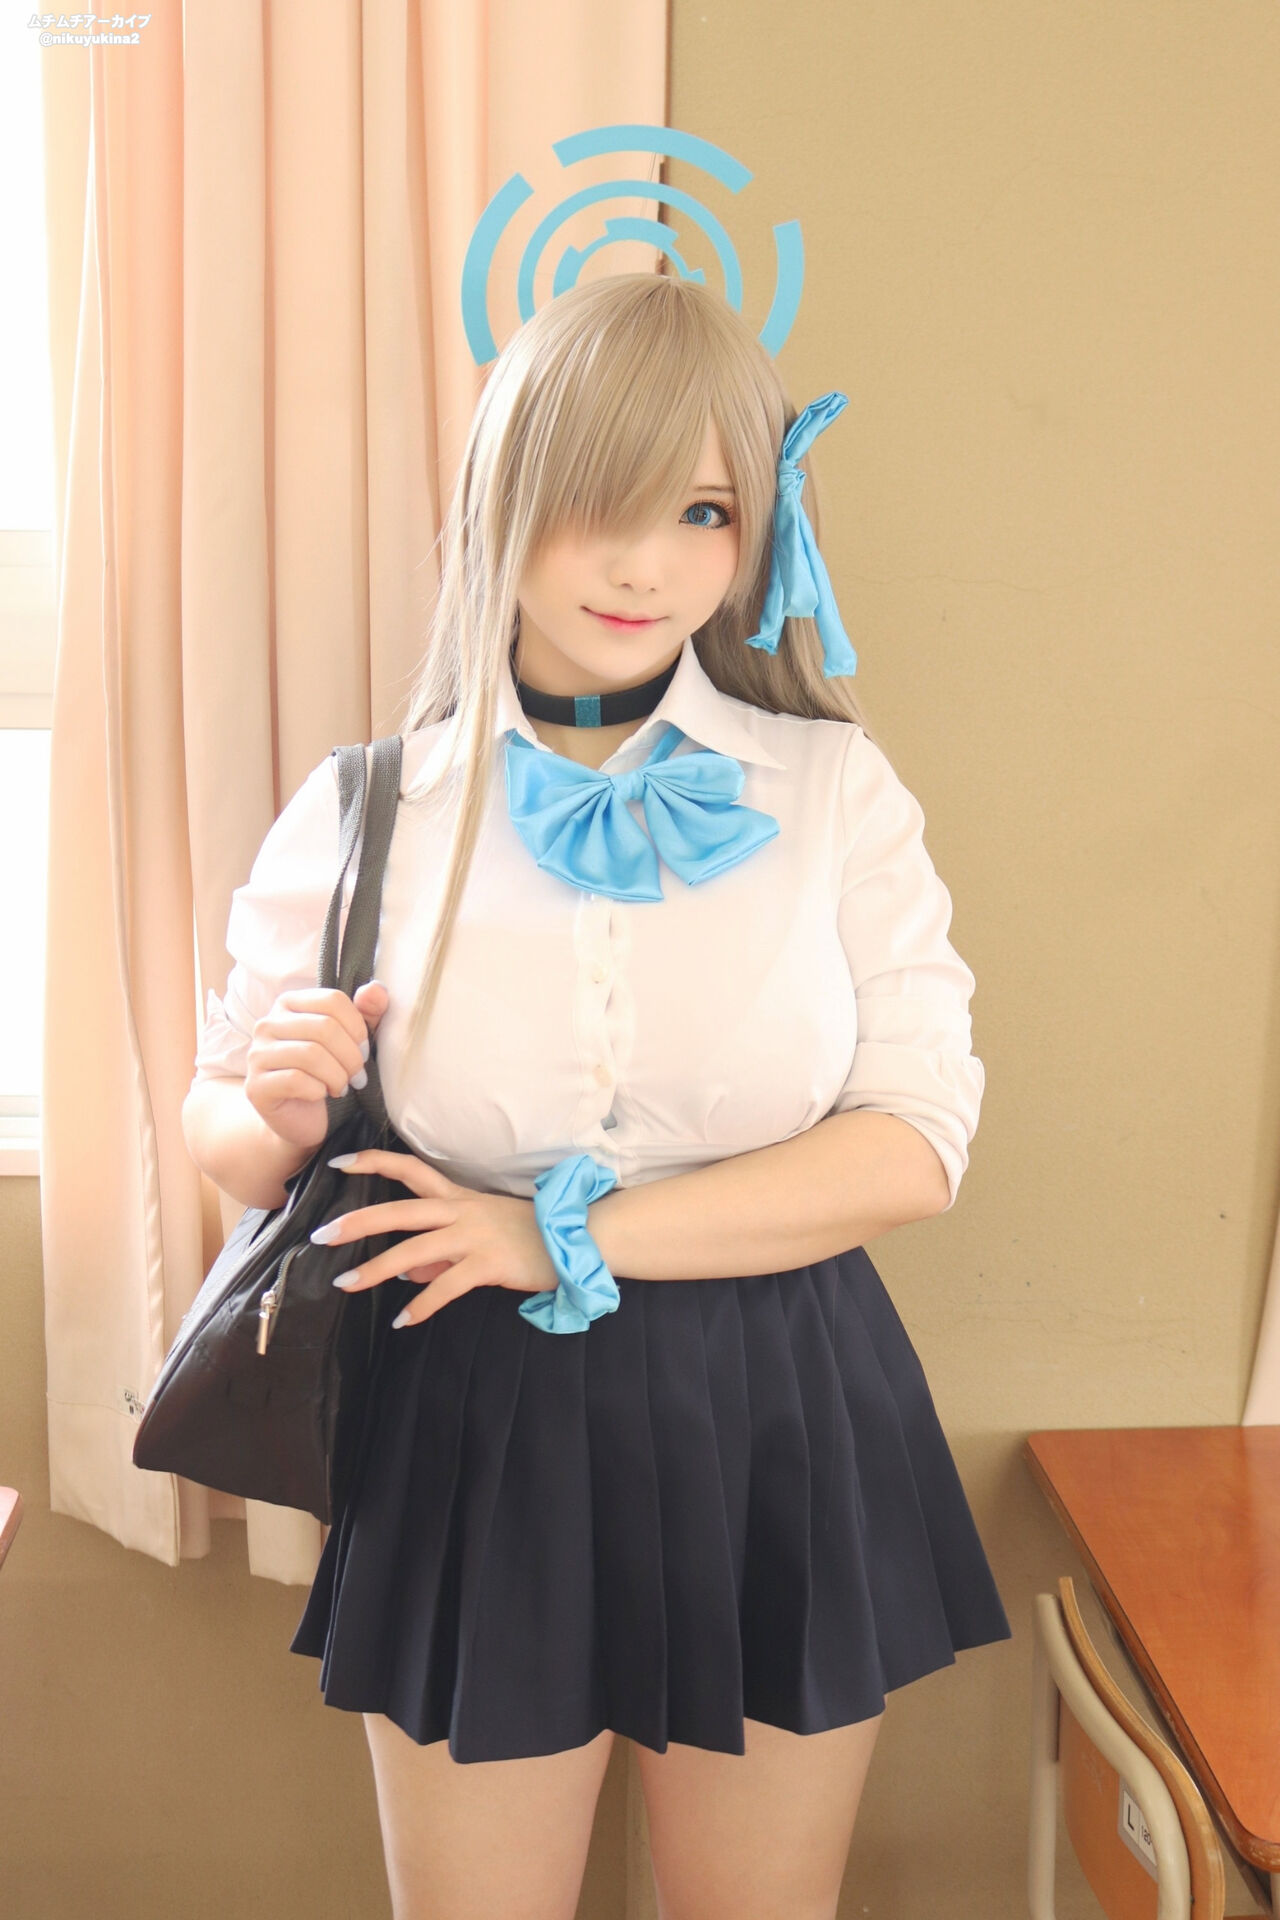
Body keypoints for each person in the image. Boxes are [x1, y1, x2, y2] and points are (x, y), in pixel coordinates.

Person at [182, 270, 1012, 1920]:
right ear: (503, 498)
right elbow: (227, 1141)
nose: (647, 566)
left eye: (703, 512)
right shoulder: (369, 808)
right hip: (471, 1409)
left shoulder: (831, 790)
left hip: (780, 1394)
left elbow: (914, 1145)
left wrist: (549, 1236)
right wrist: (277, 1109)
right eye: (597, 505)